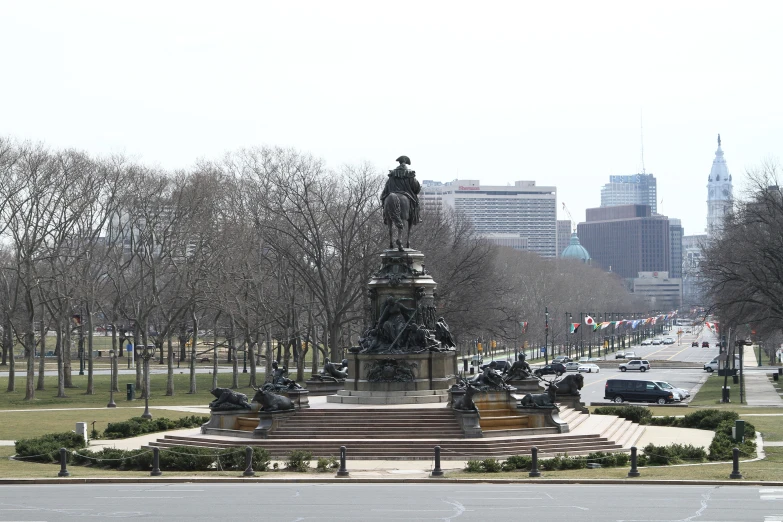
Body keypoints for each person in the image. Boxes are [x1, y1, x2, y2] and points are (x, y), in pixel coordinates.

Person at [380, 156, 421, 226]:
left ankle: (385, 217)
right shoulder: (410, 174)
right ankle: (416, 217)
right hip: (407, 193)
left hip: (391, 192)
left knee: (385, 201)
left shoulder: (392, 174)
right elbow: (416, 188)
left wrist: (383, 196)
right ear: (406, 163)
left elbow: (386, 187)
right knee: (416, 203)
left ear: (399, 163)